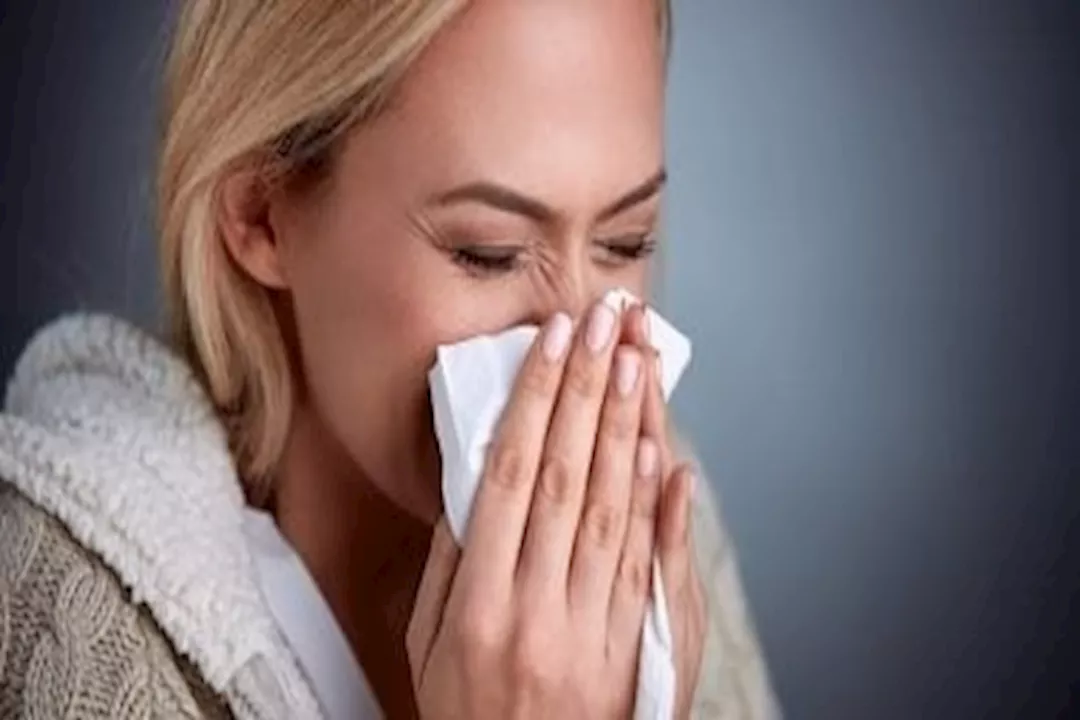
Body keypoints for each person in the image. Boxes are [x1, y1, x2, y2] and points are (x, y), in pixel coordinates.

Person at [0, 0, 778, 717]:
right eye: (488, 252)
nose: (577, 346)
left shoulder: (651, 528)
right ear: (263, 214)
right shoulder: (47, 606)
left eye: (625, 242)